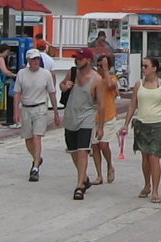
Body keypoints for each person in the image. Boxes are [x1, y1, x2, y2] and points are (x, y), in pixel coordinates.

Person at [121, 57, 161, 202]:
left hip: (159, 124)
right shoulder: (139, 84)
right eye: (142, 66)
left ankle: (156, 190)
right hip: (141, 123)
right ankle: (147, 185)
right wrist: (126, 124)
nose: (143, 68)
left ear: (154, 68)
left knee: (154, 157)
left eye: (146, 66)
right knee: (145, 157)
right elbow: (132, 105)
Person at [60, 58, 100, 200]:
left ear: (88, 60)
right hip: (71, 117)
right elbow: (62, 85)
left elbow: (101, 104)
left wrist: (100, 126)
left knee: (83, 151)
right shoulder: (72, 72)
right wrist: (65, 86)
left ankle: (79, 186)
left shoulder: (96, 79)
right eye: (76, 58)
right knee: (73, 151)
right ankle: (84, 178)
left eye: (80, 58)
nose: (77, 61)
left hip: (87, 118)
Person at [16, 48, 60, 181]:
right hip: (26, 107)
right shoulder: (22, 73)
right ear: (28, 60)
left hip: (40, 107)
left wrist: (56, 112)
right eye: (34, 59)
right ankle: (37, 157)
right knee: (28, 138)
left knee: (36, 137)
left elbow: (52, 93)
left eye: (38, 59)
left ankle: (35, 167)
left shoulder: (46, 74)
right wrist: (16, 111)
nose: (36, 61)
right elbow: (17, 93)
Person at [90, 53, 118, 187]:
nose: (99, 68)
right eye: (98, 66)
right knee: (94, 146)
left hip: (108, 116)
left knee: (103, 145)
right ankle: (99, 174)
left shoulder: (111, 78)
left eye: (102, 66)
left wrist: (106, 70)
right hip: (94, 117)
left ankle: (109, 165)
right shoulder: (94, 80)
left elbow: (111, 86)